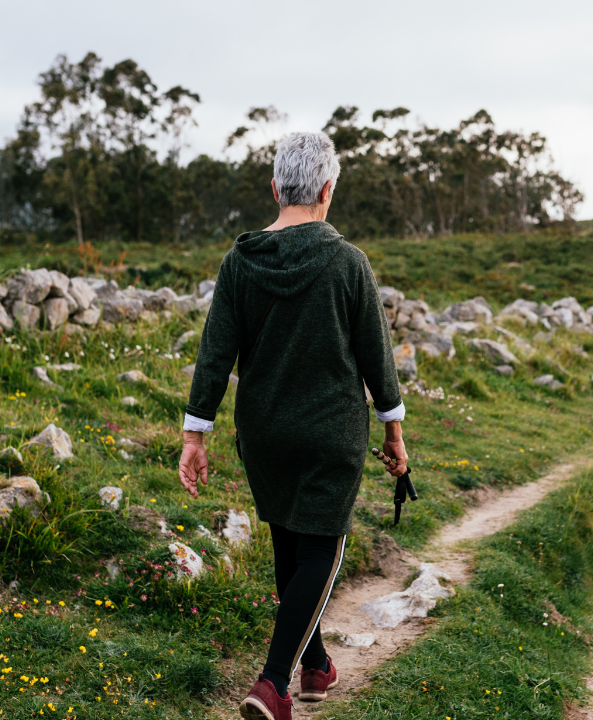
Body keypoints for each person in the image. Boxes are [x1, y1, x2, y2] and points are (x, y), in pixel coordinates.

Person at [177, 131, 408, 720]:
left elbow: (214, 353)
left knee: (289, 543)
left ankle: (316, 665)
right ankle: (273, 684)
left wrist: (194, 435)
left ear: (276, 187)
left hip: (264, 433)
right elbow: (377, 357)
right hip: (330, 433)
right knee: (320, 553)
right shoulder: (349, 262)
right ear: (327, 189)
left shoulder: (240, 262)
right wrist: (393, 430)